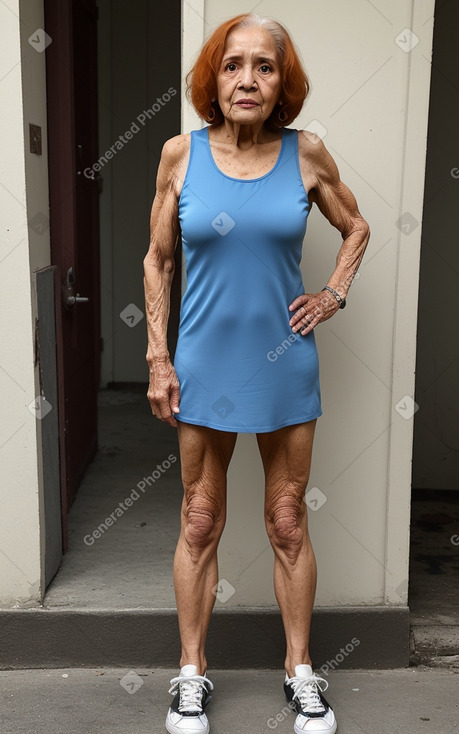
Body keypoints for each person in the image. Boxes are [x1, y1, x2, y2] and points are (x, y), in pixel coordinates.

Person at [143, 12, 370, 734]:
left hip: (283, 364)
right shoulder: (180, 153)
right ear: (214, 77)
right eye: (234, 64)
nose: (248, 79)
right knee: (201, 519)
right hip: (203, 364)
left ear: (282, 82)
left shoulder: (307, 154)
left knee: (286, 519)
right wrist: (156, 355)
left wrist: (332, 292)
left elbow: (355, 226)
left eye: (264, 67)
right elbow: (158, 259)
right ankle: (190, 675)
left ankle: (301, 673)